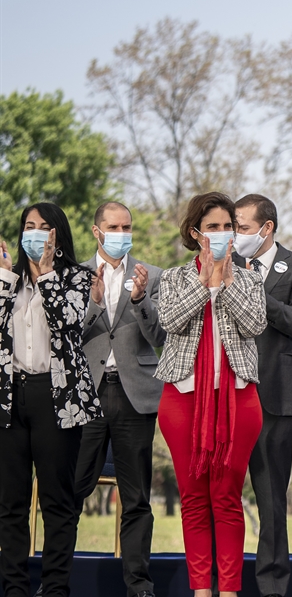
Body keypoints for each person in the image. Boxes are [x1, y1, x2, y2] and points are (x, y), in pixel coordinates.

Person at [156, 192, 265, 597]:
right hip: (183, 399)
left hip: (237, 399)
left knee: (227, 497)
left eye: (228, 227)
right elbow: (169, 320)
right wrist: (205, 284)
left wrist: (228, 283)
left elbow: (255, 324)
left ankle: (231, 590)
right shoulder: (173, 278)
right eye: (213, 227)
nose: (222, 235)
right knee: (194, 498)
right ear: (194, 232)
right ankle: (201, 590)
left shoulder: (250, 278)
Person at [0, 203, 101, 597]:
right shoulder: (8, 281)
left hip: (57, 398)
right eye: (29, 226)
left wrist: (44, 275)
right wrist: (6, 276)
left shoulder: (78, 277)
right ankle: (14, 589)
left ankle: (55, 587)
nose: (36, 233)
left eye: (44, 227)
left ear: (57, 235)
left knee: (58, 503)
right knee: (11, 503)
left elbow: (67, 321)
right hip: (10, 395)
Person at [75, 201, 165, 597]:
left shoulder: (153, 276)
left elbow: (161, 338)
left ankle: (139, 586)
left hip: (136, 396)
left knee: (136, 497)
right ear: (97, 231)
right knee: (71, 489)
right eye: (114, 227)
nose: (122, 234)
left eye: (127, 227)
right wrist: (93, 303)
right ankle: (56, 579)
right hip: (86, 396)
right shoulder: (74, 277)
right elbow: (64, 338)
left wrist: (142, 300)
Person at [232, 194, 292, 597]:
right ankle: (220, 581)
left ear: (266, 229)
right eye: (233, 227)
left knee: (271, 501)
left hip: (276, 395)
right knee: (221, 495)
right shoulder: (223, 266)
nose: (235, 235)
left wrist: (254, 292)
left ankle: (272, 587)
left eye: (243, 228)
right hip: (228, 391)